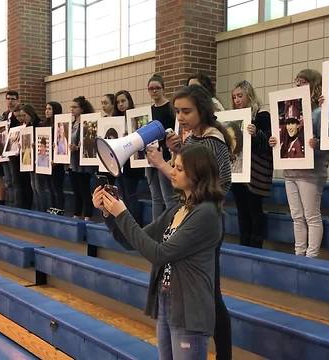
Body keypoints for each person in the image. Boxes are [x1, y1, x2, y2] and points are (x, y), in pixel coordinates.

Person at [94, 144, 224, 360]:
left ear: (198, 173)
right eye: (174, 165)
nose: (172, 171)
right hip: (167, 301)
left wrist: (123, 214)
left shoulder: (207, 214)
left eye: (180, 169)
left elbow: (159, 254)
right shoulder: (178, 209)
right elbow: (132, 241)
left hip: (190, 309)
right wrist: (109, 213)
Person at [147, 85, 233, 360]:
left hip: (204, 223)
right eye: (178, 111)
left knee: (210, 295)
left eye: (187, 111)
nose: (180, 117)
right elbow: (184, 182)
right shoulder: (193, 139)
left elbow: (217, 184)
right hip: (189, 217)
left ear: (202, 110)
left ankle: (223, 354)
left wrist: (163, 164)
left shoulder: (211, 141)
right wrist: (178, 151)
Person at [270, 69, 329, 258]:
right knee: (296, 216)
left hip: (311, 172)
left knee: (311, 216)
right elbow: (285, 139)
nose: (298, 86)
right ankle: (299, 252)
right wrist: (275, 142)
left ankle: (312, 255)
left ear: (313, 86)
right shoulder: (291, 112)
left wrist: (318, 145)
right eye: (296, 82)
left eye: (303, 82)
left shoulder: (319, 112)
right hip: (291, 171)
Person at [229, 80, 273, 249]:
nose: (237, 100)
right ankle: (244, 244)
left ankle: (255, 247)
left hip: (256, 171)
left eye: (240, 96)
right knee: (242, 210)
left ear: (249, 95)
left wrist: (256, 134)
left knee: (254, 209)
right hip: (238, 170)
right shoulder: (234, 118)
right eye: (234, 97)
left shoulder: (262, 116)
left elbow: (269, 142)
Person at [146, 74, 178, 220]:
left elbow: (176, 132)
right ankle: (156, 228)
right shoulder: (148, 111)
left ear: (163, 89)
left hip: (165, 156)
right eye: (151, 89)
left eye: (157, 88)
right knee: (155, 197)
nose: (154, 91)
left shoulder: (170, 108)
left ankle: (172, 227)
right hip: (151, 156)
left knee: (168, 197)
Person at [113, 89, 145, 225]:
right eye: (118, 102)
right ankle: (127, 225)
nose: (121, 104)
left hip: (133, 163)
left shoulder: (136, 118)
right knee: (123, 196)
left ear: (129, 101)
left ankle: (136, 225)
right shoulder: (114, 120)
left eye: (123, 101)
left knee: (131, 195)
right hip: (120, 163)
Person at [69, 96, 96, 221]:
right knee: (76, 190)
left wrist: (78, 147)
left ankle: (88, 215)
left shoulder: (87, 123)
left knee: (84, 190)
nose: (72, 109)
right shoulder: (71, 123)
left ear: (82, 109)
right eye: (71, 107)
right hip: (72, 162)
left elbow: (89, 143)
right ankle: (77, 212)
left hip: (83, 163)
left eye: (75, 107)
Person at [44, 101, 66, 215]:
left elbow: (62, 144)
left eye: (50, 109)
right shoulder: (45, 125)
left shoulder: (60, 126)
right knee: (50, 187)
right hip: (47, 162)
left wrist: (57, 159)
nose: (47, 111)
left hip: (57, 162)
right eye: (46, 108)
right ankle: (53, 207)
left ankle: (60, 208)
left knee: (57, 187)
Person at [2, 90, 22, 207]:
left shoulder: (19, 113)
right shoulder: (5, 115)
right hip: (4, 150)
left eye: (13, 99)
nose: (10, 101)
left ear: (17, 100)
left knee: (16, 179)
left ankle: (17, 203)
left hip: (15, 151)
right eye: (8, 98)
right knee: (8, 180)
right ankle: (9, 202)